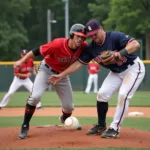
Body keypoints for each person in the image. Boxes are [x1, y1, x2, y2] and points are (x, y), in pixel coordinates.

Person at [49, 19, 145, 138]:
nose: (93, 37)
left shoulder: (114, 37)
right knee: (101, 94)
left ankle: (115, 128)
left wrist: (119, 53)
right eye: (90, 35)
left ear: (100, 28)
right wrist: (61, 74)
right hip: (116, 72)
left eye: (95, 33)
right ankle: (101, 125)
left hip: (133, 68)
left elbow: (135, 44)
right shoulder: (91, 48)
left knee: (123, 95)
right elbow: (78, 64)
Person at [13, 23, 87, 139]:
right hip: (46, 70)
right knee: (35, 97)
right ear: (71, 35)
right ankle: (25, 125)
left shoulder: (83, 46)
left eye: (83, 37)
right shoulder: (58, 44)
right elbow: (36, 51)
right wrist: (22, 61)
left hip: (62, 75)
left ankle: (64, 119)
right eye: (78, 36)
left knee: (69, 107)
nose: (81, 39)